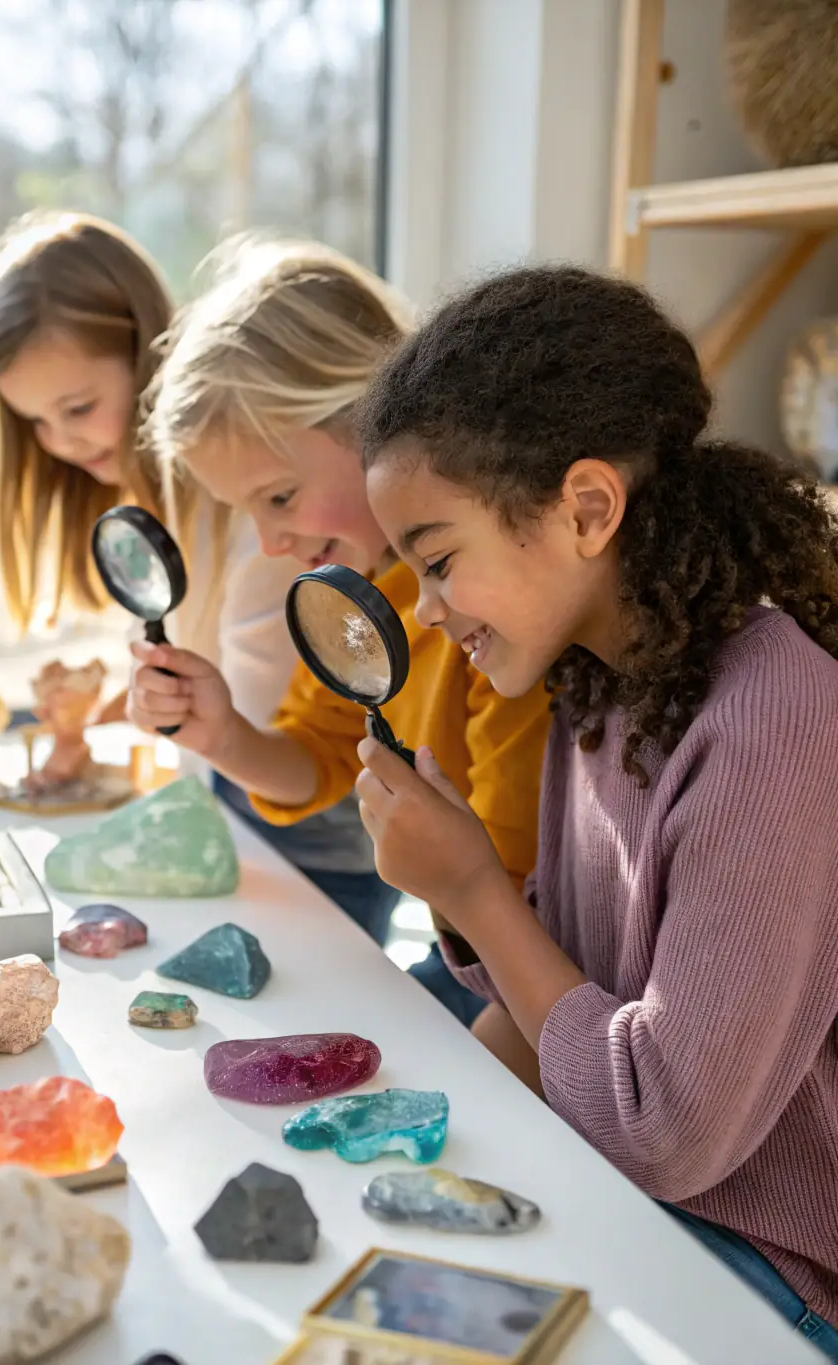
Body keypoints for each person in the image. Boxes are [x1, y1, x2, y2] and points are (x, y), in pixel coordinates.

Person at [353, 263, 838, 1352]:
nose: (426, 613)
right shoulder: (595, 679)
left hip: (768, 1267)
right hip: (628, 1188)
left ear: (584, 507)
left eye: (437, 562)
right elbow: (562, 989)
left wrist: (474, 888)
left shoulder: (777, 721)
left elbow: (667, 1132)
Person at [127, 236, 552, 1022]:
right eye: (247, 510)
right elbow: (317, 755)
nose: (268, 543)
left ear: (374, 420)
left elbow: (518, 903)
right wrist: (221, 734)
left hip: (527, 965)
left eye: (280, 497)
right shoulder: (368, 593)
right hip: (471, 947)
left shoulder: (492, 618)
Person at [0, 211, 393, 930]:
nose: (61, 441)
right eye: (36, 423)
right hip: (259, 795)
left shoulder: (274, 518)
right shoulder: (247, 494)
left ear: (141, 356)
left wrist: (201, 727)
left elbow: (274, 724)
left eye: (77, 407)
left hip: (309, 838)